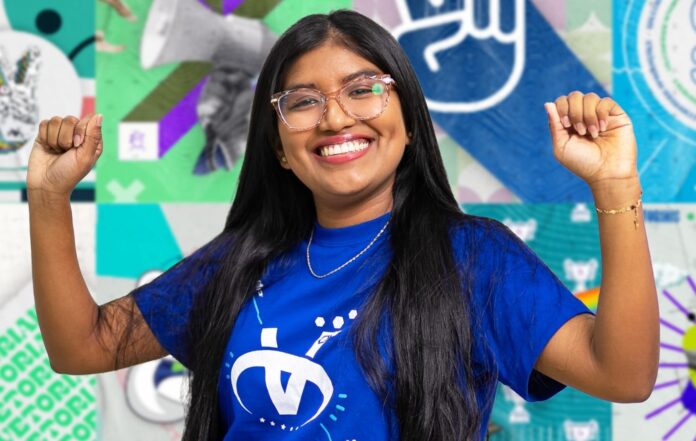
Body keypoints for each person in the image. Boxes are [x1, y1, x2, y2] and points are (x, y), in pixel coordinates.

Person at [27, 9, 658, 441]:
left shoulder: (474, 258)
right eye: (302, 102)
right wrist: (50, 197)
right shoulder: (237, 263)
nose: (335, 118)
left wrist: (615, 186)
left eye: (363, 90)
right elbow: (82, 346)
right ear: (278, 145)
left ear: (408, 122)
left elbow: (623, 376)